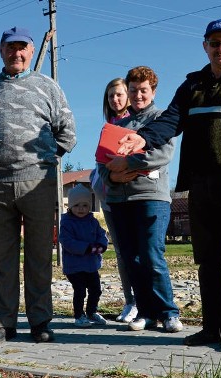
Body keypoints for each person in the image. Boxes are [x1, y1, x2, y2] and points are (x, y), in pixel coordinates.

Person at [117, 19, 221, 351]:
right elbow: (169, 121)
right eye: (214, 42)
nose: (220, 49)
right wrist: (142, 137)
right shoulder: (192, 85)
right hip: (201, 188)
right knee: (208, 261)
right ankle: (214, 327)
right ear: (205, 46)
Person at [0, 27, 77, 345]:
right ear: (0, 50)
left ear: (31, 52)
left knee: (38, 256)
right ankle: (4, 323)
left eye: (22, 48)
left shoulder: (48, 87)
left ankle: (40, 322)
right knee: (1, 257)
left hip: (39, 185)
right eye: (10, 47)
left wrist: (46, 160)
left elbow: (68, 132)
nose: (16, 53)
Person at [99, 66, 183, 334]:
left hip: (151, 197)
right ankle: (146, 313)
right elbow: (102, 163)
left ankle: (169, 312)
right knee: (131, 259)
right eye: (133, 90)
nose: (137, 95)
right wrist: (113, 178)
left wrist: (127, 163)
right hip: (121, 200)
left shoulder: (161, 119)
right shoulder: (116, 125)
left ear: (153, 91)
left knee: (152, 256)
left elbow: (162, 154)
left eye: (143, 90)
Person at [91, 78, 137, 324]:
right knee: (121, 251)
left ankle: (146, 302)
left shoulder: (137, 123)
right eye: (111, 96)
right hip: (110, 196)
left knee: (141, 250)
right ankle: (130, 301)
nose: (115, 100)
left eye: (119, 94)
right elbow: (101, 160)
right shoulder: (107, 126)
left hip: (135, 193)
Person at [59, 184, 109, 327]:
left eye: (85, 205)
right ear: (70, 206)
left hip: (91, 264)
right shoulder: (67, 222)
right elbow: (67, 241)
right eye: (77, 205)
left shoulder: (92, 221)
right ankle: (79, 315)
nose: (81, 209)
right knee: (80, 290)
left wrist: (102, 244)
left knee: (96, 289)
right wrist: (86, 248)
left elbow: (101, 234)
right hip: (74, 266)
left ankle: (91, 311)